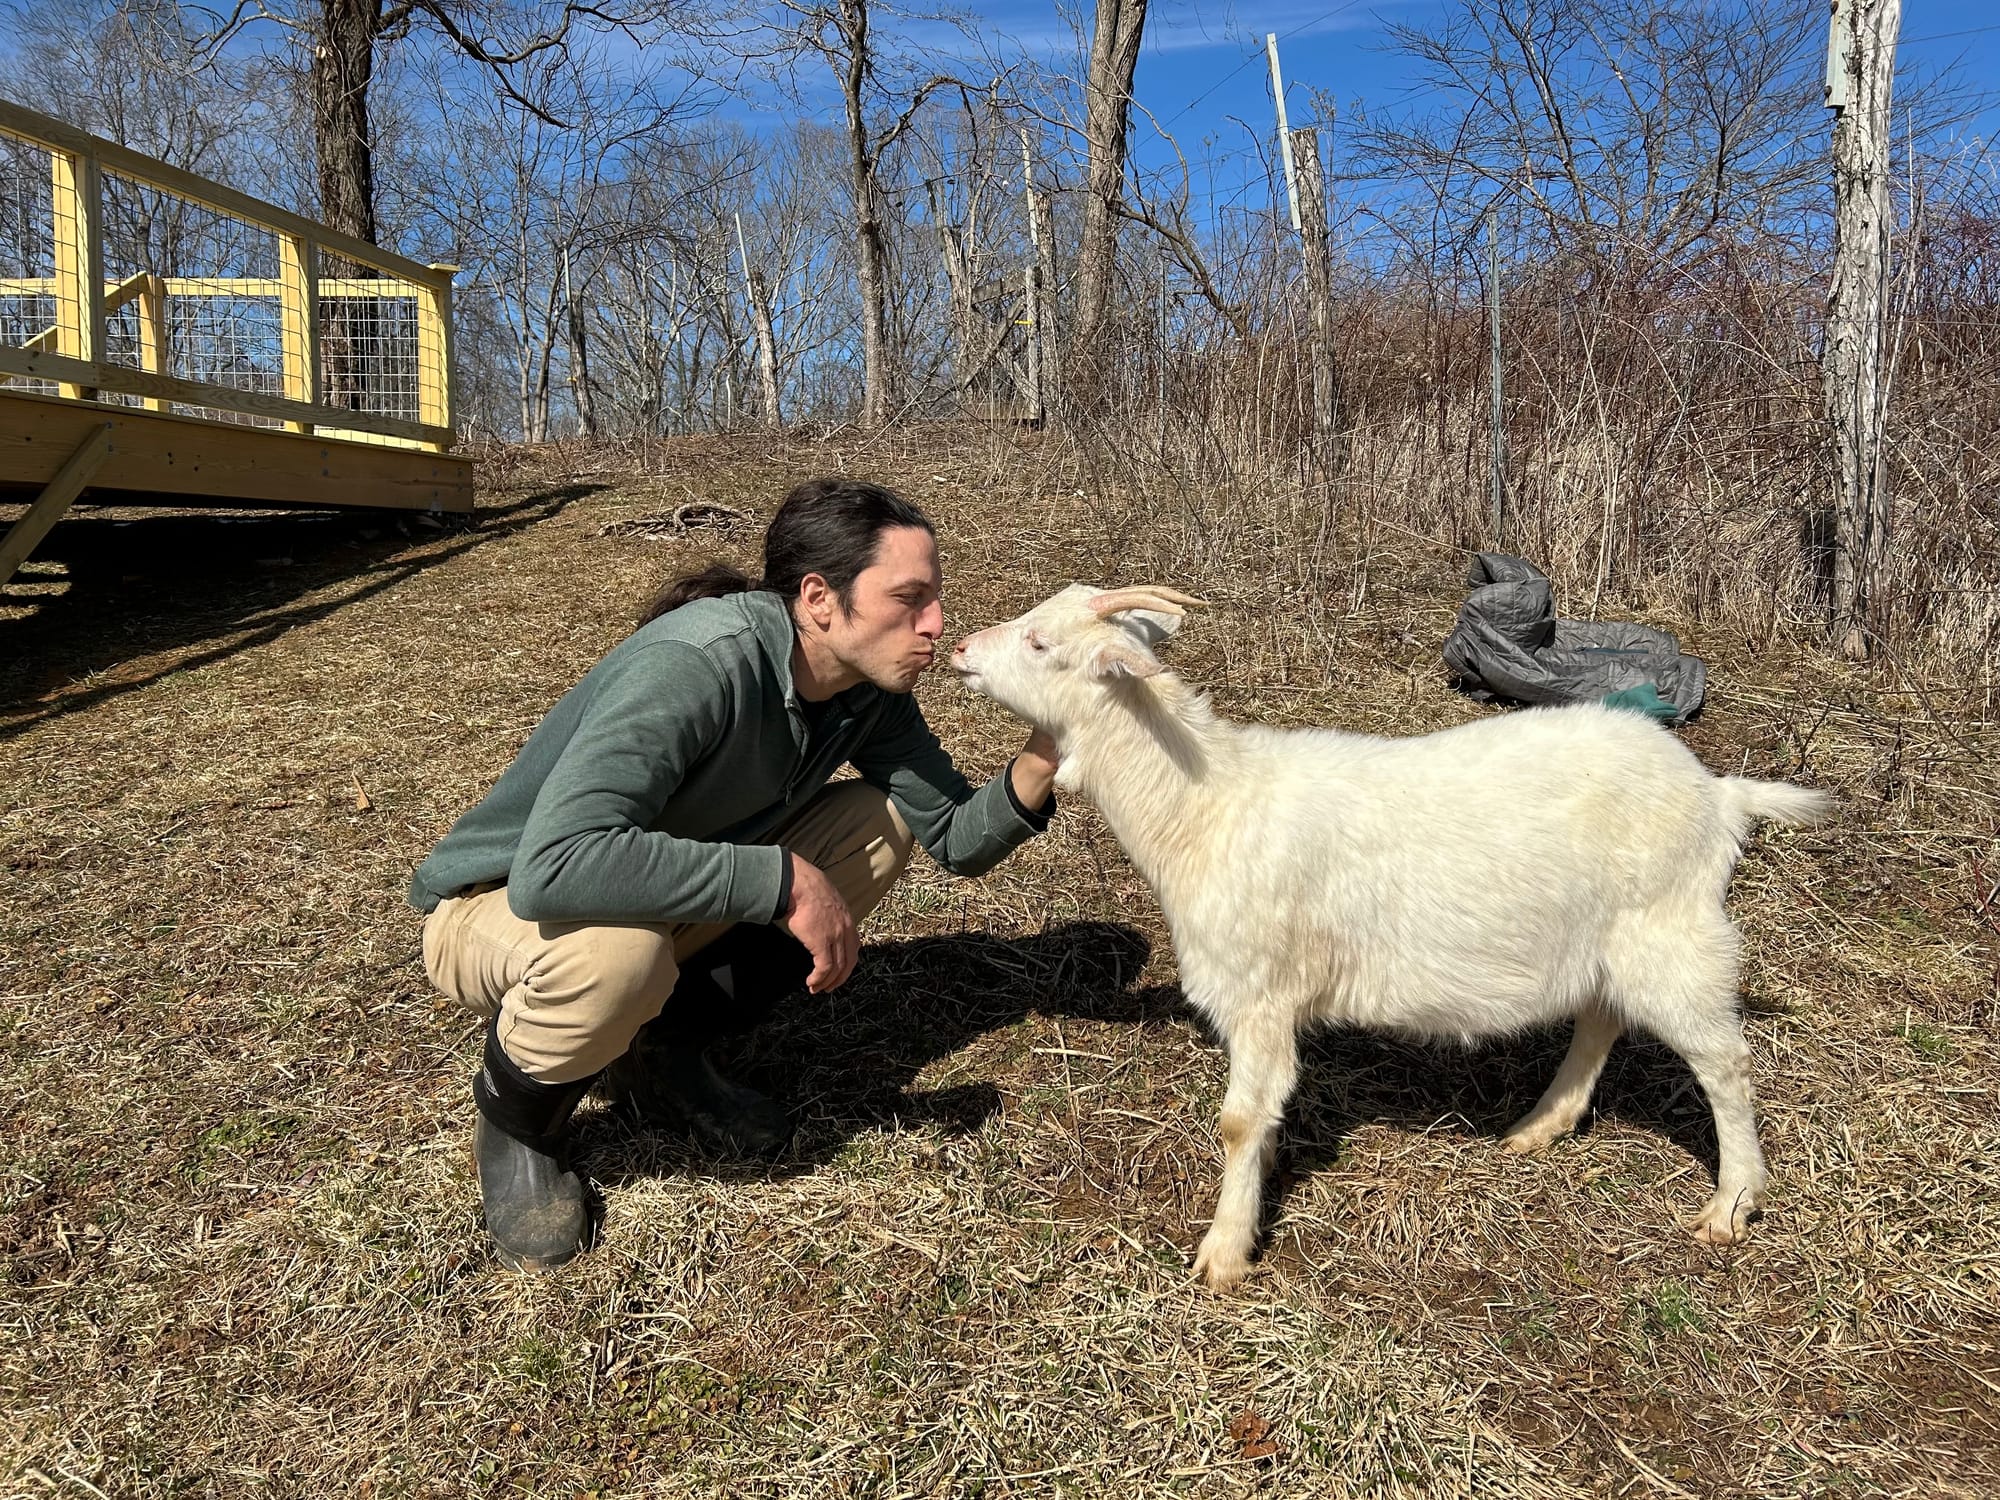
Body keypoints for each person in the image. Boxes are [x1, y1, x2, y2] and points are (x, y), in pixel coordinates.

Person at [409, 477, 1058, 1271]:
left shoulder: (866, 693)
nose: (935, 624)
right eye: (909, 598)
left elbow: (957, 839)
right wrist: (781, 881)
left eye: (936, 598)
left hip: (642, 891)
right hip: (498, 904)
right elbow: (554, 865)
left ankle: (666, 1050)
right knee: (617, 958)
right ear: (820, 598)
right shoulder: (700, 663)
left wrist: (1051, 745)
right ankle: (520, 1125)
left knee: (878, 824)